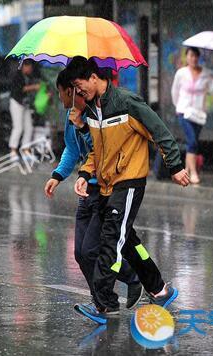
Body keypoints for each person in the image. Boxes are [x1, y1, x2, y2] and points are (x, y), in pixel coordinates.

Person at [66, 56, 190, 325]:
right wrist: (85, 175)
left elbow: (159, 130)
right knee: (128, 242)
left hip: (130, 182)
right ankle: (159, 289)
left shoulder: (125, 102)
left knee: (111, 239)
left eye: (79, 85)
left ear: (94, 78)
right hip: (109, 184)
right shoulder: (93, 110)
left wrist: (175, 165)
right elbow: (97, 153)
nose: (78, 92)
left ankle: (103, 305)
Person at [44, 69, 144, 310]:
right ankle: (106, 299)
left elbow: (100, 152)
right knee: (81, 252)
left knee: (93, 250)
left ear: (71, 90)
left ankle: (125, 284)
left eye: (60, 93)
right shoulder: (71, 114)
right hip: (85, 192)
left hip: (104, 191)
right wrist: (58, 175)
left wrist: (81, 126)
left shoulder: (96, 112)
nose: (60, 98)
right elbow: (72, 149)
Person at [171, 47, 213, 184]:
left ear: (198, 58)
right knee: (192, 141)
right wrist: (178, 107)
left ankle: (186, 170)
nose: (193, 59)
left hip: (198, 114)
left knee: (192, 143)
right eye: (190, 56)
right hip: (184, 112)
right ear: (186, 57)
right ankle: (193, 173)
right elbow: (175, 91)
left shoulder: (205, 74)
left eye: (195, 56)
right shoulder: (181, 73)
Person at [9, 59, 41, 160]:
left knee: (29, 127)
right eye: (29, 67)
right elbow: (19, 89)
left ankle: (25, 150)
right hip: (16, 103)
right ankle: (13, 151)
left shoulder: (29, 76)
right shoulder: (17, 76)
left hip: (25, 104)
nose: (30, 69)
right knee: (18, 127)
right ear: (24, 66)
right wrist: (33, 87)